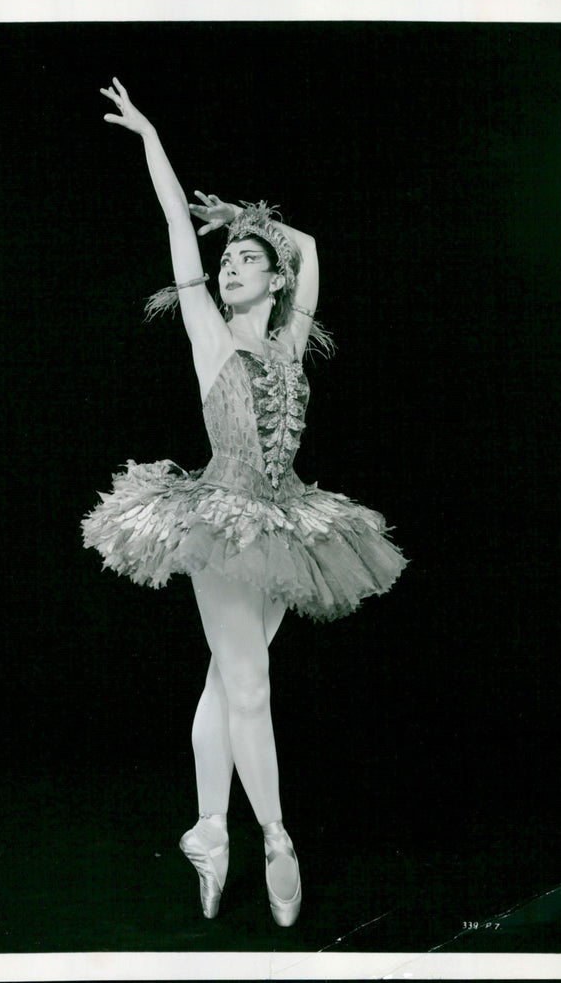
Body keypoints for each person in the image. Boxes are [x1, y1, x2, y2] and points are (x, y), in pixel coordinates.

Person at [82, 79, 407, 928]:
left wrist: (254, 221)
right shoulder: (207, 330)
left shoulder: (292, 336)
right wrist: (153, 135)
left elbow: (309, 245)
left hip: (287, 520)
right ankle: (275, 836)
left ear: (274, 278)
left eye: (244, 259)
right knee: (250, 684)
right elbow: (171, 228)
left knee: (226, 685)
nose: (228, 263)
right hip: (221, 519)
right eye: (226, 259)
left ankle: (207, 828)